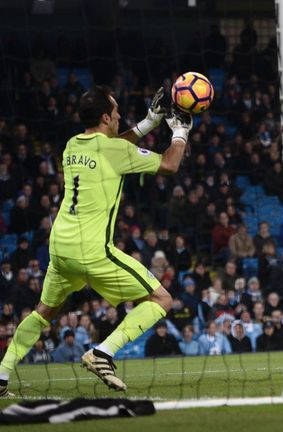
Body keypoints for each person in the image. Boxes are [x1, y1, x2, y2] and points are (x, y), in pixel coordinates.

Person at [0, 86, 192, 396]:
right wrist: (180, 132)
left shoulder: (72, 145)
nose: (118, 116)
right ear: (105, 117)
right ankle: (103, 352)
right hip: (92, 251)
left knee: (43, 312)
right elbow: (169, 164)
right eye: (116, 112)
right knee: (162, 300)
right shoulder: (113, 151)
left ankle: (1, 374)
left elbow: (112, 148)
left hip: (60, 247)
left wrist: (149, 122)